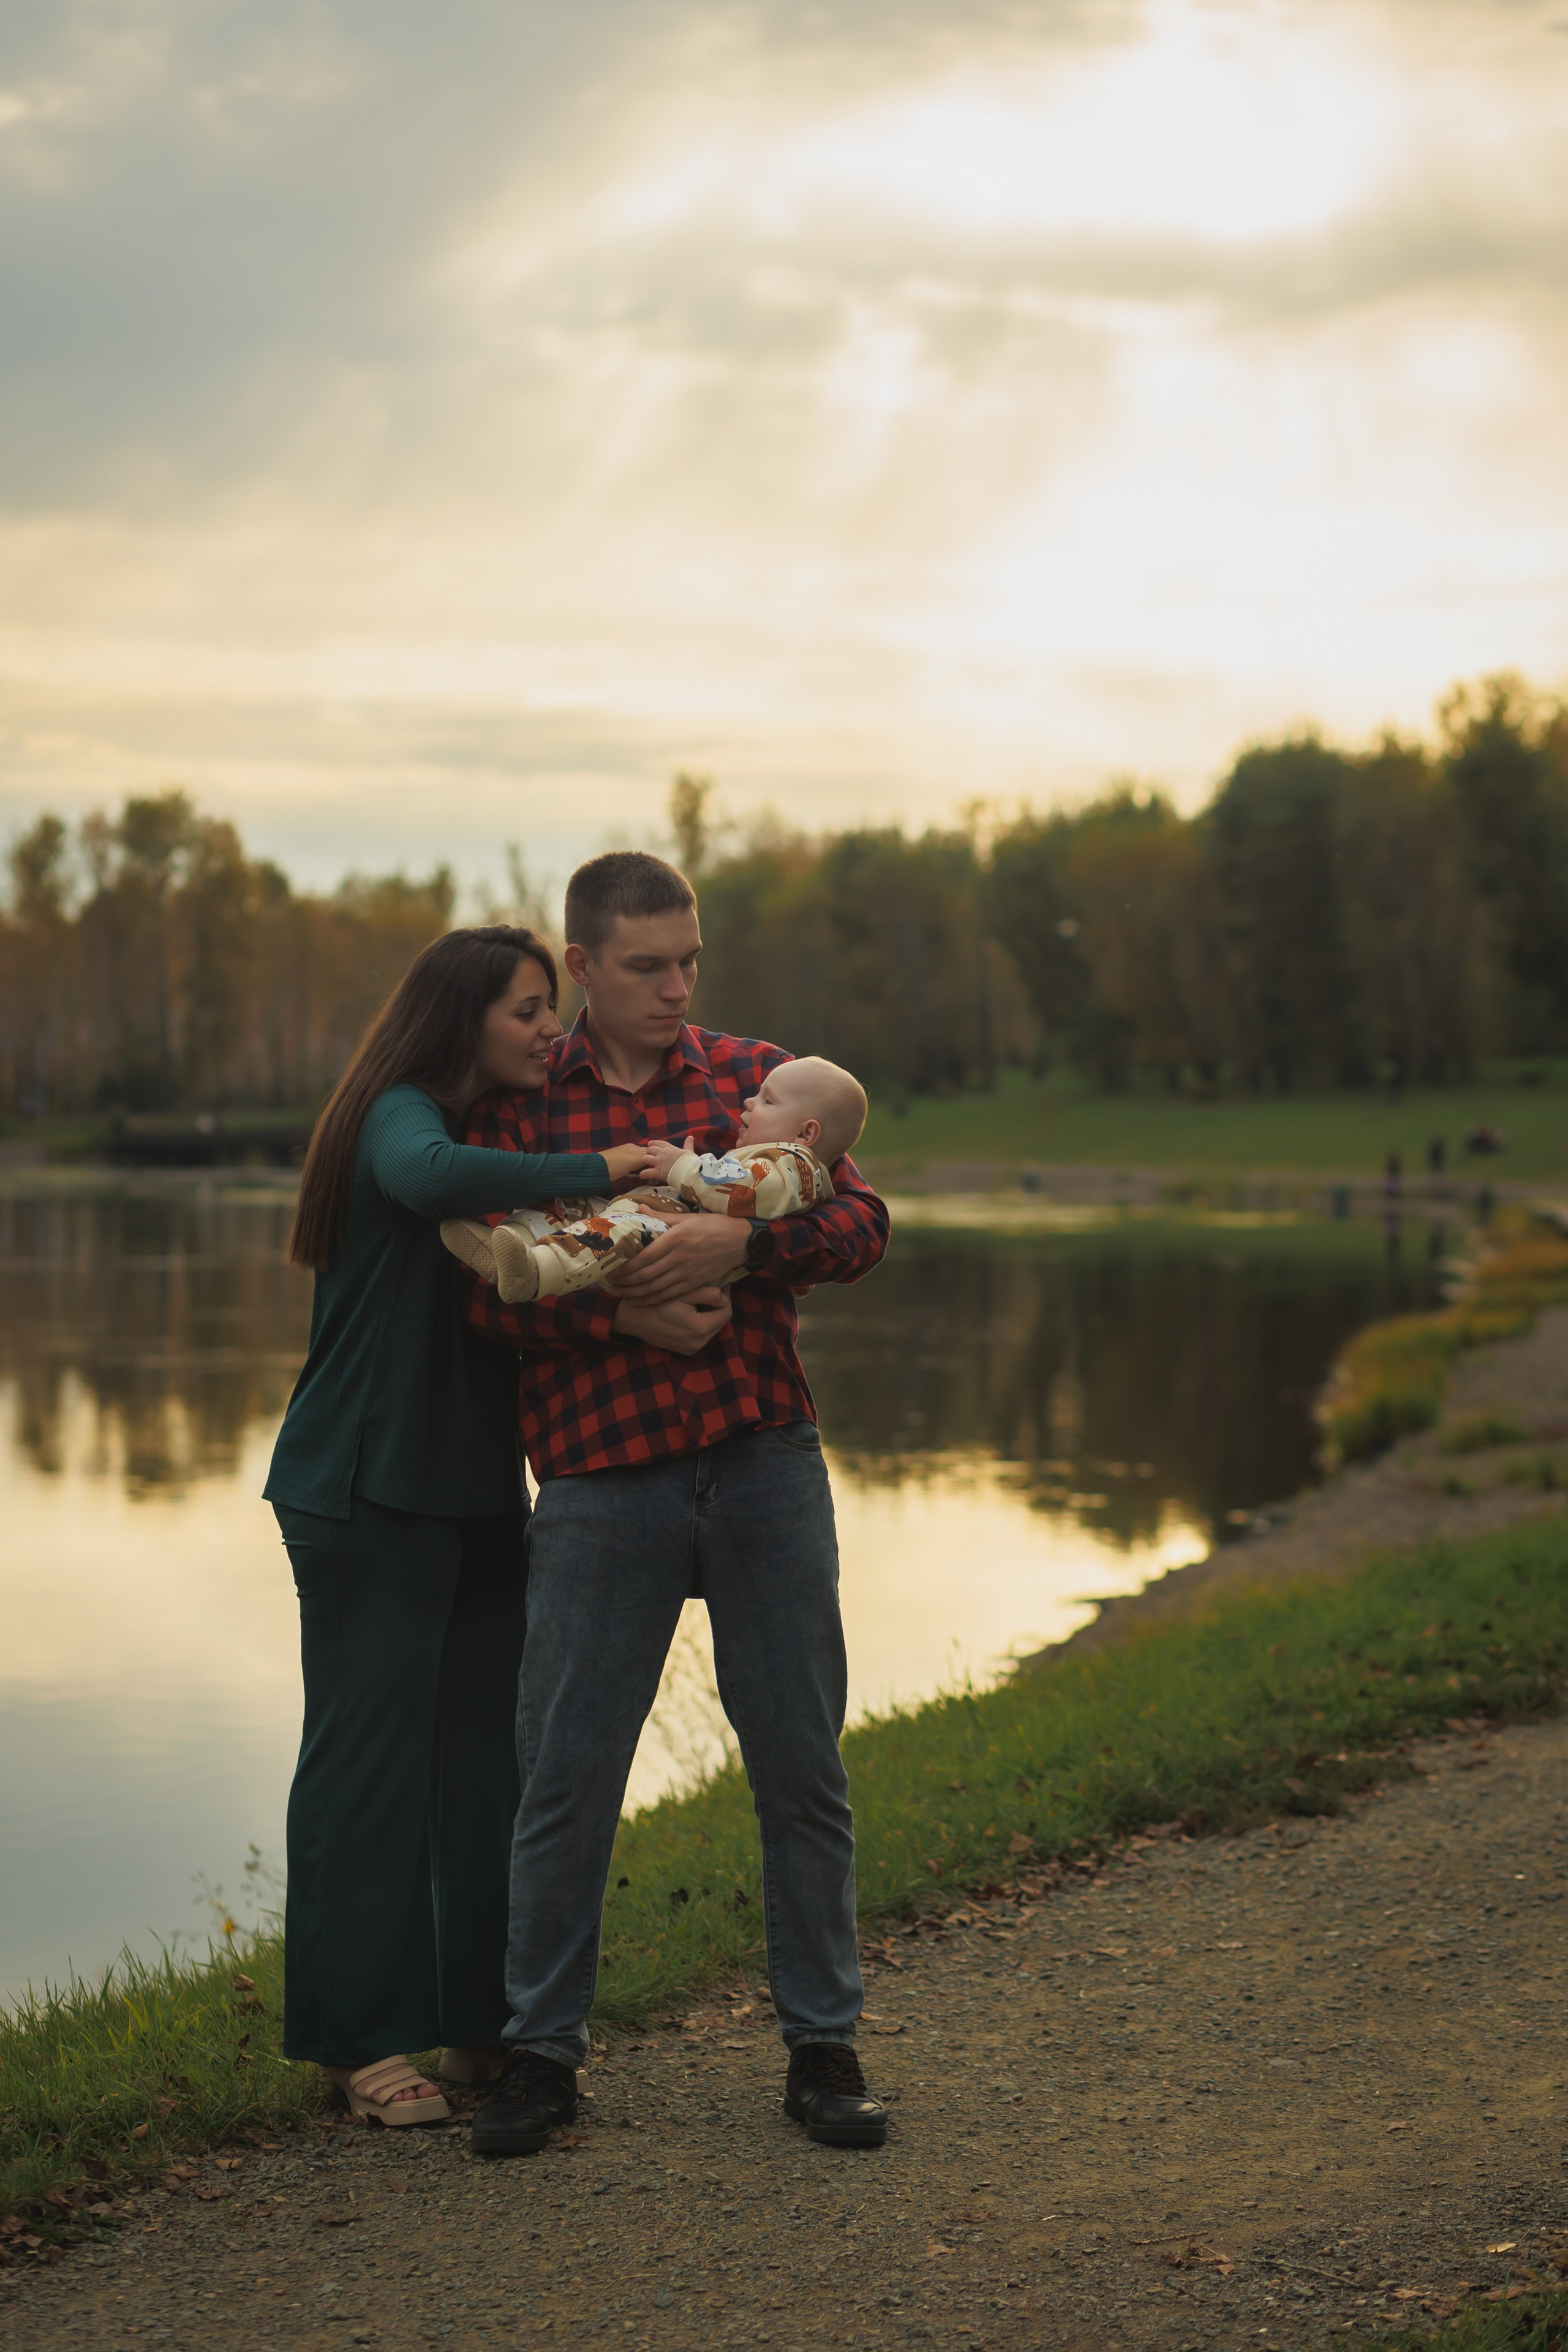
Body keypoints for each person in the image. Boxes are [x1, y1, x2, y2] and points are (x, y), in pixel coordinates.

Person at [458, 851, 892, 2157]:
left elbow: (864, 1224)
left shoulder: (753, 1078)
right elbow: (483, 1296)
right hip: (601, 1478)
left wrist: (745, 1244)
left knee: (801, 1767)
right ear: (581, 968)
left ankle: (822, 2051)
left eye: (687, 960)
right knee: (566, 1777)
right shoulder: (522, 1110)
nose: (674, 986)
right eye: (644, 966)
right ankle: (539, 2059)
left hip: (764, 1462)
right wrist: (626, 1311)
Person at [263, 926, 652, 2127]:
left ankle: (481, 2028)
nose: (551, 1029)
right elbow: (428, 1181)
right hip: (368, 1489)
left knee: (488, 1769)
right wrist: (609, 1163)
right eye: (529, 1010)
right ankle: (357, 2041)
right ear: (460, 1018)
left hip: (482, 1493)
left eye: (552, 1008)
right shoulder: (400, 1112)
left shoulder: (497, 1138)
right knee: (370, 1773)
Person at [438, 1054, 867, 1304]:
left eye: (767, 1101)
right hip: (649, 1217)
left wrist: (684, 1169)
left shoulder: (797, 1164)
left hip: (658, 1236)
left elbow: (754, 1193)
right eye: (644, 965)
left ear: (806, 1133)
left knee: (610, 1230)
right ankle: (510, 1244)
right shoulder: (525, 1089)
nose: (749, 1103)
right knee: (576, 1207)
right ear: (583, 965)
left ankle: (534, 1271)